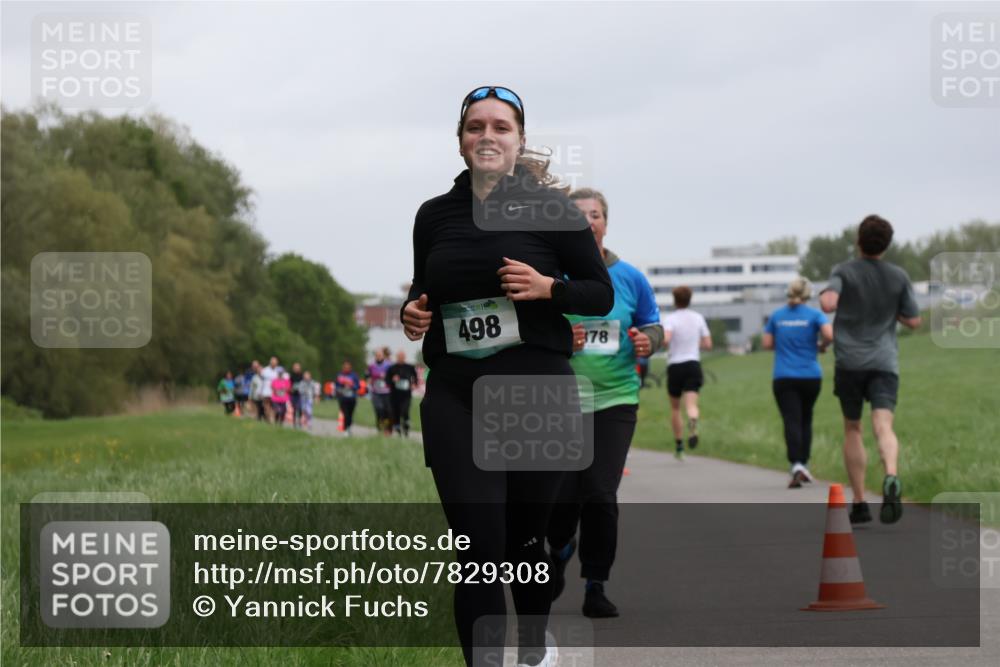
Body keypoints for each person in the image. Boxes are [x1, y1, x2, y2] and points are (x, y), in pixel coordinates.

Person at [401, 86, 613, 667]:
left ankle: (532, 647)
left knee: (525, 540)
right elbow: (424, 289)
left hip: (536, 394)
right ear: (461, 139)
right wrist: (412, 312)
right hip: (455, 395)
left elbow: (600, 293)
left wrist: (551, 289)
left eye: (500, 127)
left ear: (519, 140)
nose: (487, 136)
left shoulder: (555, 212)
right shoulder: (433, 215)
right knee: (478, 550)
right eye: (475, 127)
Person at [545, 187, 663, 619]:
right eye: (578, 215)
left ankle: (596, 583)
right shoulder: (550, 274)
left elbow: (654, 327)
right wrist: (561, 338)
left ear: (606, 223)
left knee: (599, 493)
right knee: (559, 499)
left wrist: (646, 341)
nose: (588, 221)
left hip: (614, 400)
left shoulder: (630, 277)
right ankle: (559, 548)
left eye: (595, 215)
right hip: (558, 401)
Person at [819, 215, 921, 524]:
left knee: (853, 427)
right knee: (883, 424)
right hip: (884, 362)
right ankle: (891, 474)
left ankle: (861, 503)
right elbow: (914, 321)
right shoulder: (898, 276)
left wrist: (829, 295)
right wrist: (892, 312)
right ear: (886, 245)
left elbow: (828, 304)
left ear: (858, 240)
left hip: (849, 362)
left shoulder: (843, 271)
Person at [762, 278, 834, 488]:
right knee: (806, 419)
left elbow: (766, 344)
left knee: (791, 419)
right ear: (808, 294)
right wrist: (821, 346)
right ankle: (804, 463)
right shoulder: (814, 315)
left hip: (784, 376)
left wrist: (784, 343)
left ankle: (796, 464)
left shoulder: (777, 316)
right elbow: (829, 334)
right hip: (811, 376)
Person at [662, 286, 712, 458]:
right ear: (690, 299)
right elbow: (708, 344)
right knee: (691, 405)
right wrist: (692, 345)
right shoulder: (698, 318)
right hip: (693, 364)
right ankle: (693, 421)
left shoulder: (670, 319)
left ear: (674, 300)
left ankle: (679, 447)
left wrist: (666, 343)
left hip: (675, 365)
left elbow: (666, 340)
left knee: (675, 408)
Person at [386, 350, 419, 437]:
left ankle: (406, 429)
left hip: (406, 395)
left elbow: (415, 377)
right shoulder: (392, 368)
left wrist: (414, 384)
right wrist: (392, 380)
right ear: (397, 358)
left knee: (405, 411)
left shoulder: (410, 367)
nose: (401, 358)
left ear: (404, 357)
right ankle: (398, 431)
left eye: (402, 357)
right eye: (399, 357)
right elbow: (387, 380)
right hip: (394, 395)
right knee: (395, 413)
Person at [366, 350, 393, 435]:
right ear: (375, 356)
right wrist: (368, 379)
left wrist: (388, 377)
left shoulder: (389, 365)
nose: (379, 357)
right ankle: (379, 427)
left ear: (383, 356)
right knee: (378, 409)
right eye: (377, 355)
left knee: (388, 410)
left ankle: (388, 428)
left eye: (380, 355)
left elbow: (393, 375)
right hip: (376, 391)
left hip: (387, 391)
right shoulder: (371, 366)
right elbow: (367, 375)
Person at [335, 361, 361, 435]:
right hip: (342, 398)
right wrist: (341, 386)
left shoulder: (354, 375)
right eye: (345, 367)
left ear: (350, 368)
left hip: (352, 398)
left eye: (348, 367)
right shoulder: (339, 375)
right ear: (343, 367)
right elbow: (336, 386)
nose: (346, 368)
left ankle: (349, 427)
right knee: (345, 413)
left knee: (350, 414)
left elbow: (358, 386)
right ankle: (346, 429)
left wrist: (351, 385)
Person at [260, 356, 279, 422]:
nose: (274, 364)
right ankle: (268, 419)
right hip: (266, 391)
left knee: (274, 407)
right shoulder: (265, 370)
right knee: (266, 406)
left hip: (275, 392)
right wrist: (260, 391)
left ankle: (272, 418)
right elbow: (261, 382)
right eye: (273, 362)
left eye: (275, 363)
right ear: (270, 362)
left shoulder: (278, 371)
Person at [289, 362, 304, 429]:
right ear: (293, 368)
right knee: (294, 409)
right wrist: (290, 389)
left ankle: (300, 421)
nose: (296, 369)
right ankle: (294, 422)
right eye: (295, 368)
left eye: (298, 368)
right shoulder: (291, 376)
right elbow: (289, 384)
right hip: (293, 394)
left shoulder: (302, 375)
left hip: (300, 395)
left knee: (300, 408)